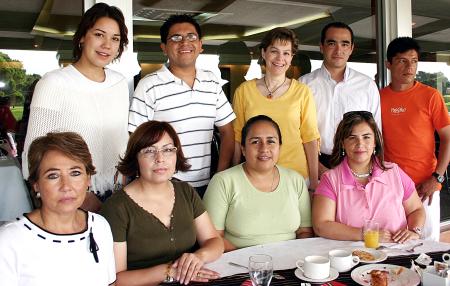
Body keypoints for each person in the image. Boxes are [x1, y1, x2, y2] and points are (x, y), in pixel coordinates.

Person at [22, 3, 130, 211]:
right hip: (71, 195)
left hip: (117, 192)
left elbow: (119, 140)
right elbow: (34, 154)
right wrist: (82, 195)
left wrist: (123, 184)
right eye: (99, 35)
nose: (107, 44)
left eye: (115, 39)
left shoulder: (119, 83)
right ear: (82, 37)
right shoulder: (54, 83)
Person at [100, 121, 223, 285]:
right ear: (135, 158)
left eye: (167, 150)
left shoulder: (186, 191)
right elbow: (116, 280)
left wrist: (199, 256)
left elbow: (214, 241)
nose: (160, 159)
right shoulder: (116, 208)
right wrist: (169, 272)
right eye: (149, 151)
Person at [128, 14, 235, 198]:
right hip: (163, 185)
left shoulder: (211, 81)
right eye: (176, 38)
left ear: (200, 45)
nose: (185, 42)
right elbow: (135, 139)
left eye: (191, 37)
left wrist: (219, 177)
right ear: (164, 48)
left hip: (206, 185)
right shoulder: (149, 85)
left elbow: (227, 131)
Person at [0, 132, 116, 285]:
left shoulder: (100, 226)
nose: (66, 186)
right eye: (53, 176)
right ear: (36, 184)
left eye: (75, 173)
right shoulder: (10, 240)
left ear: (88, 179)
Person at [204, 115, 313, 252]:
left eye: (271, 141)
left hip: (288, 262)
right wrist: (253, 263)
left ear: (279, 147)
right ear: (243, 149)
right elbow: (212, 238)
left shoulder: (295, 180)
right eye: (255, 142)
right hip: (237, 264)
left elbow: (305, 232)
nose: (264, 148)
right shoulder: (223, 182)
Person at [312, 111, 425, 243]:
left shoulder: (395, 173)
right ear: (342, 143)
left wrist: (414, 231)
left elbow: (416, 209)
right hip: (351, 257)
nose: (360, 144)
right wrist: (366, 235)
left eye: (366, 137)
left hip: (396, 254)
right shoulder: (330, 180)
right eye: (352, 137)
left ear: (375, 142)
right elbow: (321, 225)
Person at [232, 27, 320, 190]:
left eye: (286, 53)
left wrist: (314, 183)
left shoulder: (302, 92)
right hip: (254, 176)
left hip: (297, 176)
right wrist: (233, 173)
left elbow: (310, 138)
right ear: (264, 53)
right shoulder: (244, 91)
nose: (280, 58)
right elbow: (238, 137)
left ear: (291, 57)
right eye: (274, 51)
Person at [381, 37, 450, 241]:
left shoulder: (430, 96)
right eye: (402, 60)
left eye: (414, 61)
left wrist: (437, 177)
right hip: (391, 185)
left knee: (426, 245)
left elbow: (447, 138)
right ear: (389, 64)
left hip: (424, 186)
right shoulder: (379, 97)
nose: (409, 67)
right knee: (394, 243)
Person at [299, 22, 381, 177]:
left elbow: (376, 132)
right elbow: (296, 133)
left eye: (345, 44)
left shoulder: (367, 85)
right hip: (314, 164)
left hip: (358, 164)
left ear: (351, 48)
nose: (338, 50)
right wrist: (318, 168)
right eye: (332, 43)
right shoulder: (304, 84)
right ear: (321, 47)